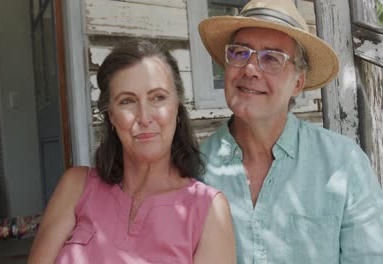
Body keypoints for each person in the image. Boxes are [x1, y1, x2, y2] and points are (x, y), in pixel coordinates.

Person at [197, 0, 383, 263]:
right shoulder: (195, 168)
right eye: (240, 53)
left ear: (298, 83)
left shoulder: (343, 164)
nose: (249, 69)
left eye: (271, 58)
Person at [28, 39, 235, 263]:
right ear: (111, 116)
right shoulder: (76, 186)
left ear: (177, 107)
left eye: (158, 98)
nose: (144, 118)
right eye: (127, 101)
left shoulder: (208, 210)